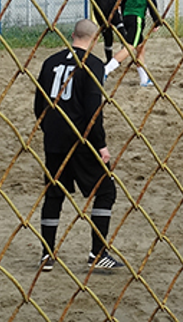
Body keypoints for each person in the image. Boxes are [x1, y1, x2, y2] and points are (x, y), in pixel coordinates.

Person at [34, 19, 125, 272]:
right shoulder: (92, 64)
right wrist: (101, 144)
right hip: (81, 139)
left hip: (54, 139)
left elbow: (38, 104)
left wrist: (50, 130)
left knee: (54, 194)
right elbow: (93, 110)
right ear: (94, 40)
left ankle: (46, 254)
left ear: (72, 35)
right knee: (106, 190)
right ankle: (98, 253)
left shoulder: (50, 62)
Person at [120, 0, 162, 87]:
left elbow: (123, 2)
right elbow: (151, 4)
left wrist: (124, 16)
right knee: (130, 47)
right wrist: (157, 21)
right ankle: (106, 70)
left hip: (127, 17)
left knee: (141, 48)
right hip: (137, 18)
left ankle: (144, 79)